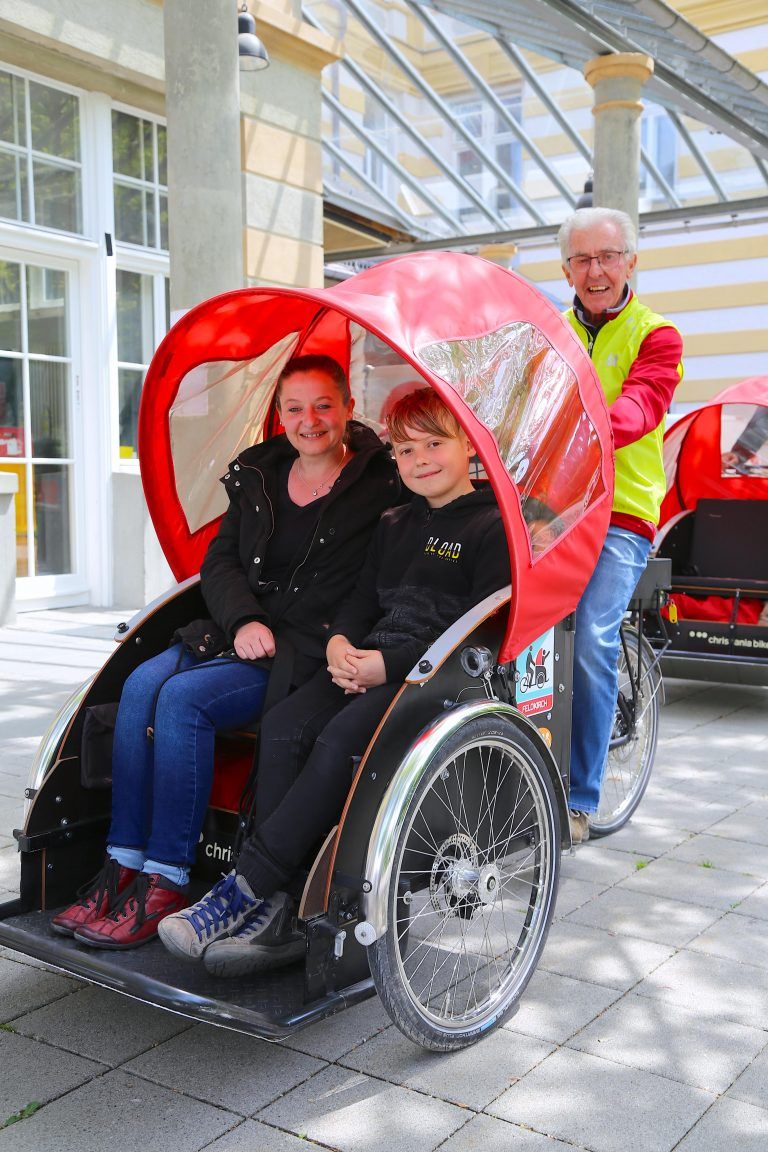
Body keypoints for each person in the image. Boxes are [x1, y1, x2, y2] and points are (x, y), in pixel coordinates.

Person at [158, 386, 511, 975]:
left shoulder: (492, 526)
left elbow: (481, 631)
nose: (420, 459)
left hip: (434, 674)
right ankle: (276, 896)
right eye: (404, 449)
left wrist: (390, 667)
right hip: (365, 658)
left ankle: (248, 888)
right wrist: (342, 643)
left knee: (339, 739)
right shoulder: (394, 521)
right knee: (286, 722)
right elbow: (359, 600)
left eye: (434, 443)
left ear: (468, 445)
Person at [51, 354, 399, 948]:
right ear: (279, 414)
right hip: (235, 632)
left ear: (347, 408)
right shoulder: (261, 473)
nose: (309, 419)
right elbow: (220, 561)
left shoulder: (380, 483)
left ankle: (167, 879)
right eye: (294, 407)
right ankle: (124, 864)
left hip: (304, 650)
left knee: (183, 699)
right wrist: (242, 618)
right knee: (138, 685)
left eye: (323, 405)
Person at [559, 207, 683, 844]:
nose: (595, 270)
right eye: (582, 259)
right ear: (566, 269)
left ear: (631, 262)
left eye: (607, 256)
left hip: (621, 514)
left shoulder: (656, 334)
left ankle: (581, 797)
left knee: (589, 640)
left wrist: (592, 428)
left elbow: (642, 402)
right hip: (552, 507)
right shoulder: (549, 330)